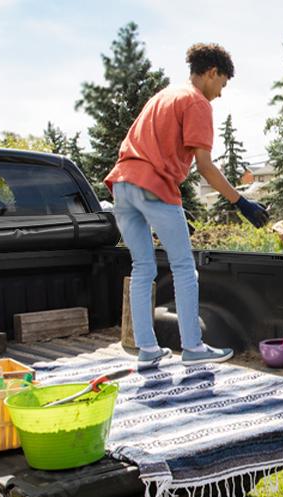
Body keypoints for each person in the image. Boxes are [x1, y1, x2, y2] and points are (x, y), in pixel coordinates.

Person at [104, 43, 269, 368]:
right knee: (183, 268)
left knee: (142, 268)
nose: (220, 94)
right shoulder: (196, 102)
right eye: (222, 84)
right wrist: (241, 202)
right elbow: (205, 165)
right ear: (212, 73)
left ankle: (147, 350)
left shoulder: (163, 96)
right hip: (154, 186)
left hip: (122, 184)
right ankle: (193, 347)